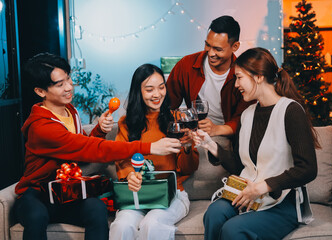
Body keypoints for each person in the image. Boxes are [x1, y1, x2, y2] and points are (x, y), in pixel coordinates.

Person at [14, 53, 182, 240]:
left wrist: (99, 131)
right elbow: (91, 148)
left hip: (66, 192)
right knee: (37, 216)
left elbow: (79, 148)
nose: (69, 87)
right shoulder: (41, 127)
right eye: (60, 84)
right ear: (40, 91)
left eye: (68, 79)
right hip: (38, 194)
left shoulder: (69, 111)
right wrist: (149, 147)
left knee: (96, 208)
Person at [192, 47, 319, 240]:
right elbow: (242, 166)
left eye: (239, 77)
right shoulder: (247, 114)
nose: (236, 85)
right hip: (250, 194)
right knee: (214, 213)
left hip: (282, 202)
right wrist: (211, 146)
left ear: (258, 77)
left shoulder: (291, 111)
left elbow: (308, 169)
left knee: (233, 230)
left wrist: (263, 186)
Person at [109, 63, 199, 240]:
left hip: (173, 194)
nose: (157, 94)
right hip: (139, 194)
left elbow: (188, 169)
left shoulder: (177, 120)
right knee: (121, 225)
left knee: (152, 224)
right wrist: (129, 175)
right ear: (139, 92)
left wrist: (187, 148)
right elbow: (121, 157)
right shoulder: (126, 123)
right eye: (149, 89)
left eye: (161, 87)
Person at [166, 15, 252, 137]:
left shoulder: (243, 75)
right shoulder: (186, 64)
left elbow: (244, 119)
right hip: (194, 134)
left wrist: (217, 129)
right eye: (207, 45)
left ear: (235, 47)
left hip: (228, 137)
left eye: (218, 49)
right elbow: (168, 104)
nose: (211, 53)